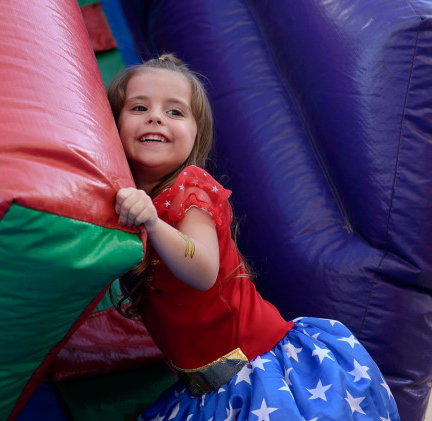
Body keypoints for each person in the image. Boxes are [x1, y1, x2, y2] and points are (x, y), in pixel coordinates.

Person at [109, 54, 399, 421]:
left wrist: (152, 222)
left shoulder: (189, 188)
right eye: (139, 107)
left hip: (257, 373)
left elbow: (203, 269)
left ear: (197, 134)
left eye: (175, 112)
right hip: (205, 388)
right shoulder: (131, 203)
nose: (156, 117)